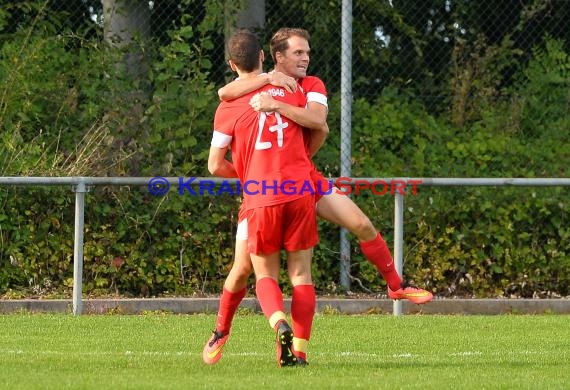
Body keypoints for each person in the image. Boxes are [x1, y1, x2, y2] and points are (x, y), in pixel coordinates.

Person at [203, 27, 433, 365]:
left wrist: (277, 107)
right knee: (243, 269)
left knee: (360, 222)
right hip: (276, 186)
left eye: (306, 52)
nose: (305, 57)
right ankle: (223, 330)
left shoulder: (306, 86)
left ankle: (395, 284)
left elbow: (318, 123)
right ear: (272, 57)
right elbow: (229, 92)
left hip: (296, 182)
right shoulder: (254, 91)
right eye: (298, 53)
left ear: (234, 63)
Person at [207, 29, 318, 367]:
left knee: (251, 270)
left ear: (231, 63)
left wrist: (248, 173)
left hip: (260, 196)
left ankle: (238, 329)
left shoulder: (227, 106)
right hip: (297, 190)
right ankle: (295, 349)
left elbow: (214, 165)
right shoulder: (289, 87)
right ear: (262, 57)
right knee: (294, 272)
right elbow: (318, 125)